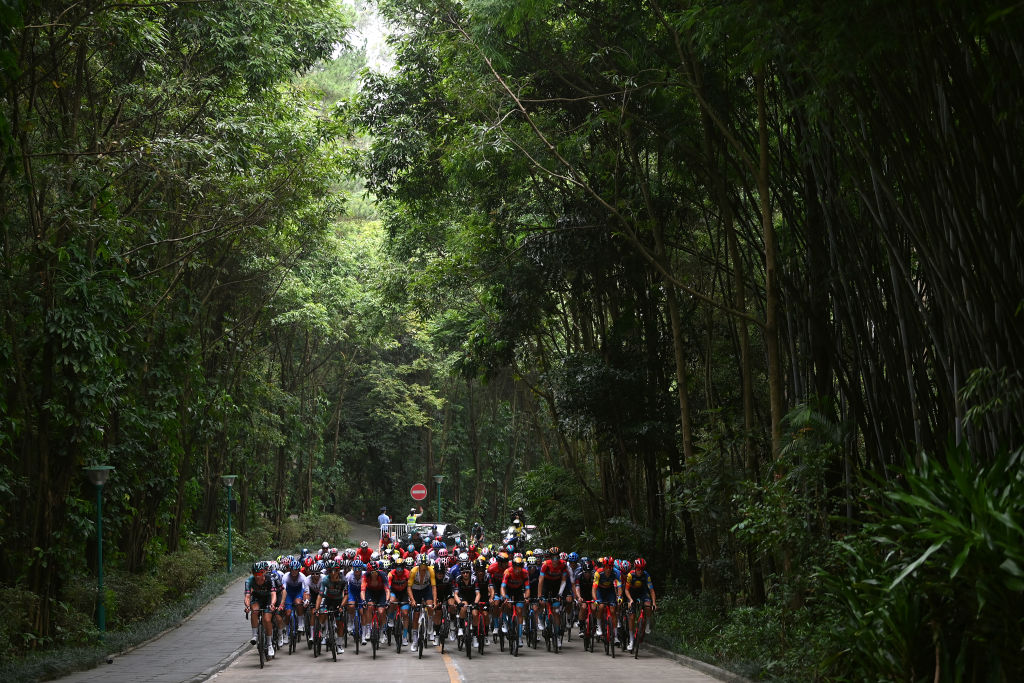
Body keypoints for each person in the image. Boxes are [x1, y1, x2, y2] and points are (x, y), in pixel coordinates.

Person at [244, 561, 279, 658]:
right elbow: (247, 596)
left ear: (264, 572)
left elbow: (273, 594)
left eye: (259, 573)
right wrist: (247, 606)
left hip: (268, 599)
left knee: (267, 620)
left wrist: (272, 604)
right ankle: (255, 635)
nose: (257, 576)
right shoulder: (249, 581)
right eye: (255, 574)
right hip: (257, 598)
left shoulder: (270, 579)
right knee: (254, 611)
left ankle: (269, 644)